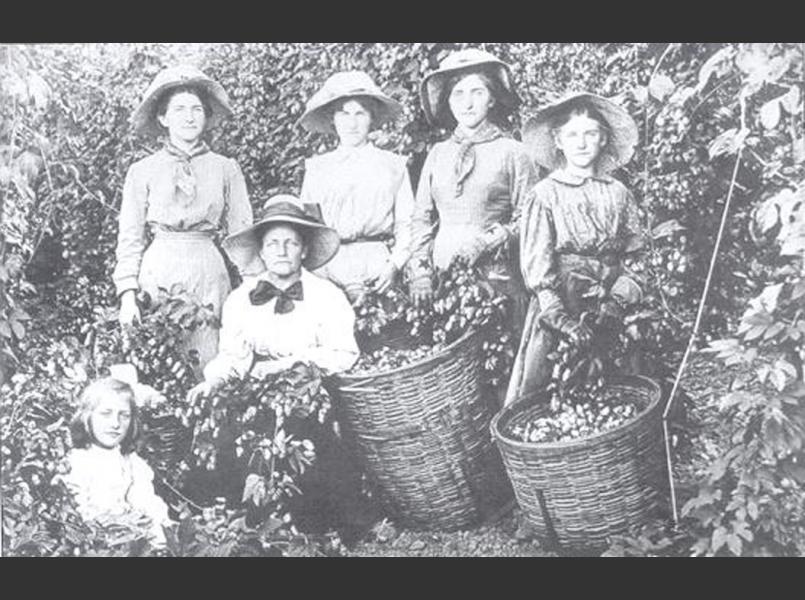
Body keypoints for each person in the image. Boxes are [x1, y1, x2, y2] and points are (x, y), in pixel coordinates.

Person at [186, 195, 376, 544]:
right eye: (273, 243)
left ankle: (309, 522)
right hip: (256, 386)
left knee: (296, 427)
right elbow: (234, 356)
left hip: (314, 388)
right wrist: (212, 381)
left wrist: (293, 368)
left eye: (291, 242)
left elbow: (344, 354)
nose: (282, 250)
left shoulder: (326, 295)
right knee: (225, 427)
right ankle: (250, 519)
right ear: (261, 251)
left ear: (304, 249)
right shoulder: (242, 299)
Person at [505, 92, 644, 407]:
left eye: (590, 134)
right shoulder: (545, 195)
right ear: (558, 141)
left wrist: (618, 301)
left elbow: (637, 255)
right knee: (554, 389)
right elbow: (537, 264)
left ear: (603, 139)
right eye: (572, 135)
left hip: (610, 298)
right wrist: (557, 315)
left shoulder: (619, 193)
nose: (581, 143)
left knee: (621, 391)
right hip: (564, 300)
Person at [114, 65, 253, 371]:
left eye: (196, 109)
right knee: (161, 360)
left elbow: (243, 233)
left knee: (211, 358)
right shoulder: (142, 171)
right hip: (158, 269)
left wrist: (253, 286)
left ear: (206, 116)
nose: (189, 117)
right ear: (163, 118)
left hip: (208, 268)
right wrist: (127, 295)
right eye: (179, 110)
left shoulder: (226, 168)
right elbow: (130, 237)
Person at [409, 49, 537, 337]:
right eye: (458, 94)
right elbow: (420, 219)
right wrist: (420, 272)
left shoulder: (513, 152)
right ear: (448, 102)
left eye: (477, 92)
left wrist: (487, 242)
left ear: (492, 99)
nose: (467, 103)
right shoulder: (438, 154)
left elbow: (529, 218)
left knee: (496, 365)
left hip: (497, 278)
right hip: (442, 280)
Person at [298, 70, 415, 301]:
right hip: (329, 268)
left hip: (379, 266)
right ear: (333, 118)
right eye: (344, 114)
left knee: (385, 333)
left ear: (371, 118)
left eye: (360, 114)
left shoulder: (393, 166)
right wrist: (318, 274)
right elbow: (309, 227)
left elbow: (407, 223)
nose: (352, 123)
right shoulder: (317, 169)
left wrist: (395, 264)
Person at [63, 377, 172, 547]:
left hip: (133, 541)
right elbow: (79, 518)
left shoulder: (131, 462)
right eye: (106, 414)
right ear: (87, 417)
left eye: (124, 415)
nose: (115, 424)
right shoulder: (77, 462)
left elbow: (148, 503)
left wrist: (165, 537)